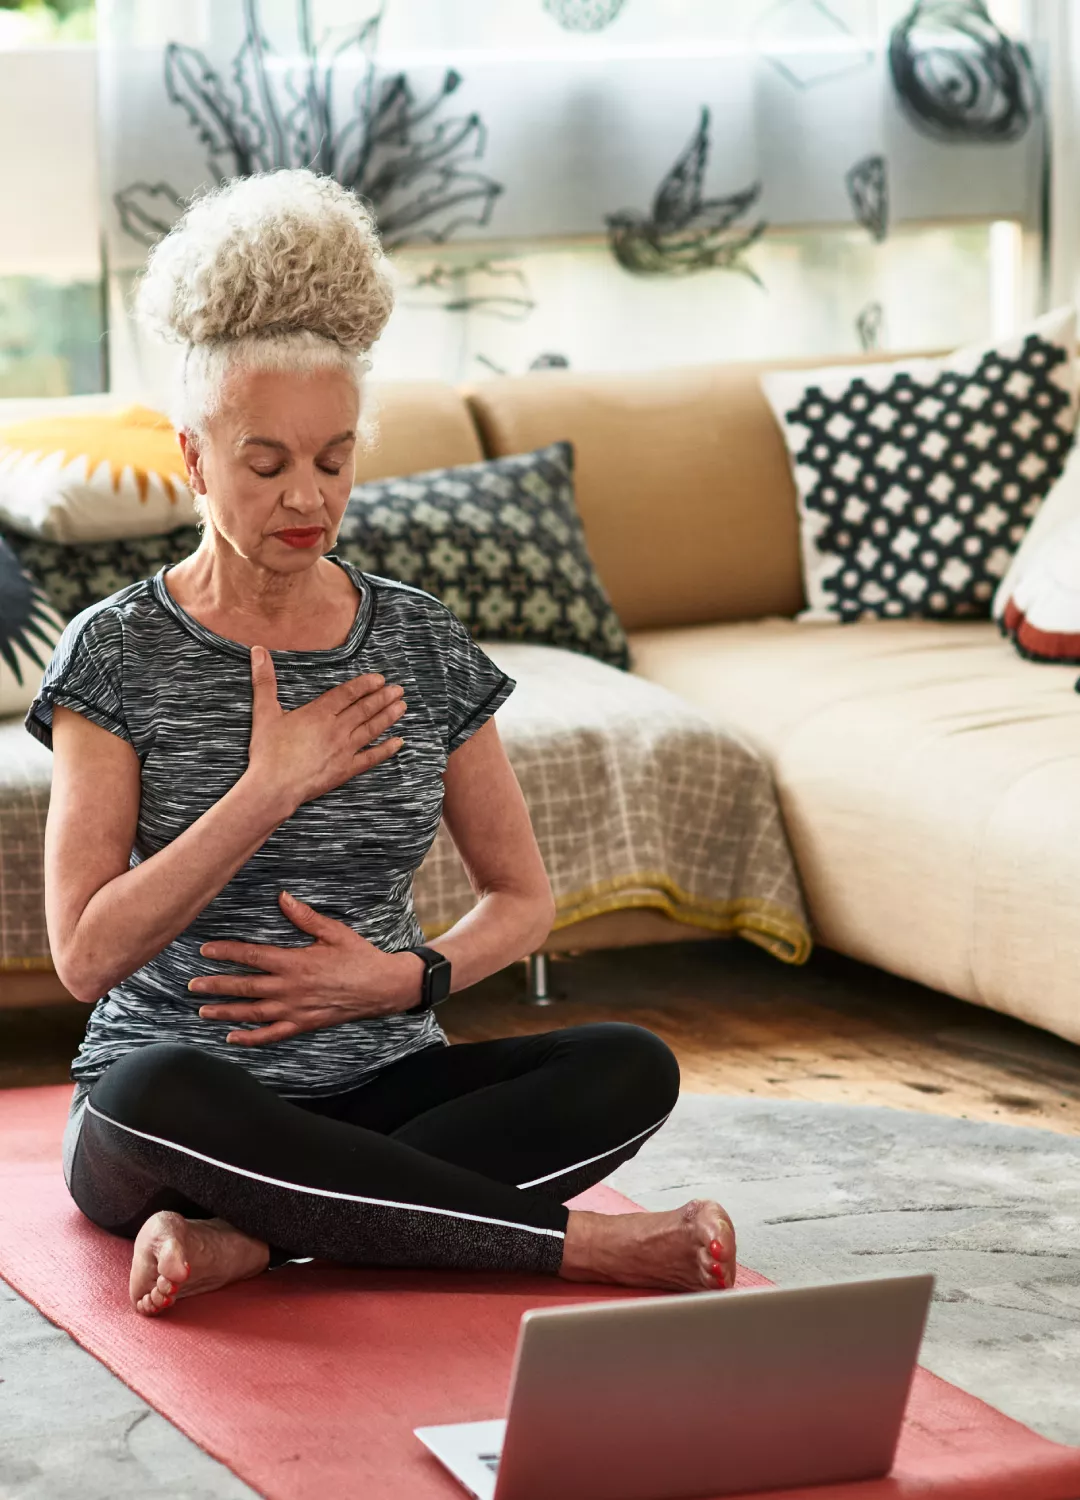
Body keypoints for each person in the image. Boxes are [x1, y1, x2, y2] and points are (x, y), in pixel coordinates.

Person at [25, 169, 736, 1317]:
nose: (307, 498)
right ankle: (573, 1250)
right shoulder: (117, 654)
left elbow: (521, 899)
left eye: (334, 459)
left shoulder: (417, 639)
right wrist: (265, 788)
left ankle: (259, 1239)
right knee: (151, 1092)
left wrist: (402, 979)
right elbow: (84, 956)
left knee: (629, 1066)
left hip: (380, 1083)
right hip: (178, 1109)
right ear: (195, 457)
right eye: (266, 464)